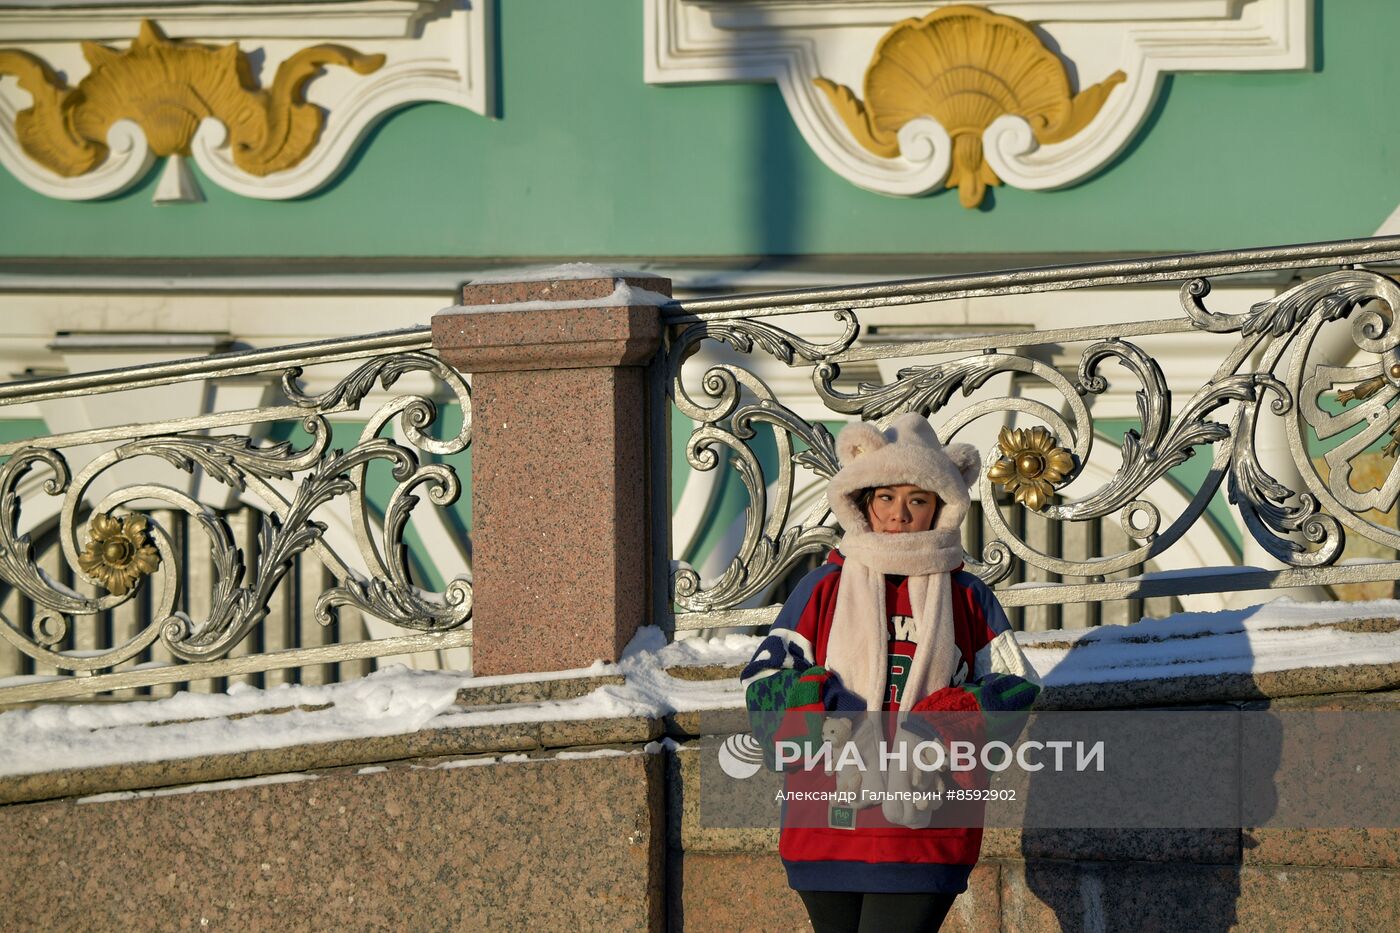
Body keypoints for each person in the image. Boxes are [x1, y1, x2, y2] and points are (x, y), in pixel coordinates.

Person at [741, 413, 1042, 933]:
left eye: (917, 499)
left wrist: (936, 728)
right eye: (885, 497)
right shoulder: (821, 588)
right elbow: (762, 688)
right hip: (826, 824)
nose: (899, 514)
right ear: (861, 502)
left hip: (926, 827)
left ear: (940, 509)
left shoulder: (968, 596)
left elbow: (1015, 689)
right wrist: (822, 703)